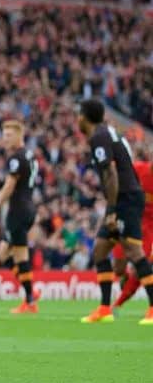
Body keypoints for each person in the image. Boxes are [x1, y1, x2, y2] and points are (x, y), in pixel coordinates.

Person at [77, 98, 153, 324]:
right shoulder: (108, 132)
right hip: (124, 198)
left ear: (84, 117)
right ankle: (104, 309)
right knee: (100, 251)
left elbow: (110, 173)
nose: (77, 120)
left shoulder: (98, 137)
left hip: (125, 200)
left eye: (79, 115)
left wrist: (111, 209)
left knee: (134, 252)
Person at [0, 120, 39, 314]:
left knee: (20, 256)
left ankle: (30, 300)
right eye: (4, 135)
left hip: (17, 211)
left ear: (19, 135)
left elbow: (9, 185)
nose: (4, 139)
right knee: (3, 252)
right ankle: (30, 291)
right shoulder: (31, 156)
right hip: (28, 207)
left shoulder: (16, 158)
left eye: (8, 135)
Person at [111, 160, 153, 311]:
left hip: (149, 228)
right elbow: (116, 171)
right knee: (118, 269)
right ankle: (126, 276)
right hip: (129, 220)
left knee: (141, 266)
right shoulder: (138, 169)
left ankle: (117, 304)